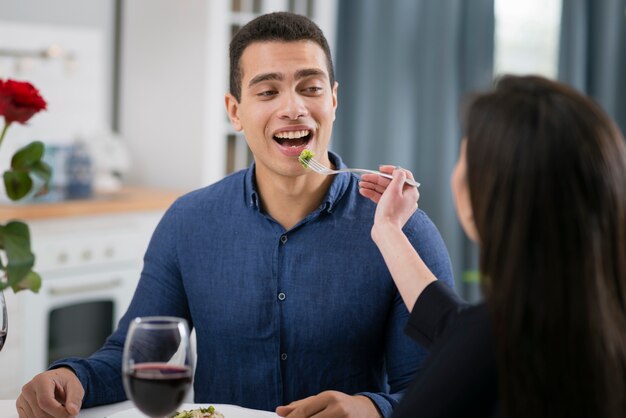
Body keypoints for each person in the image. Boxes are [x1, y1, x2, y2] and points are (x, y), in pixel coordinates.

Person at [16, 12, 454, 418]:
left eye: (311, 87)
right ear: (235, 111)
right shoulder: (189, 222)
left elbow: (438, 389)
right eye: (267, 91)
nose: (293, 107)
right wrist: (72, 377)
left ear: (334, 100)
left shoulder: (402, 230)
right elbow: (134, 357)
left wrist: (372, 408)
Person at [359, 75, 626, 418]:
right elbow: (452, 324)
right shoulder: (592, 321)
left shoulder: (493, 343)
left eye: (465, 157)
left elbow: (469, 339)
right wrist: (388, 229)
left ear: (491, 195)